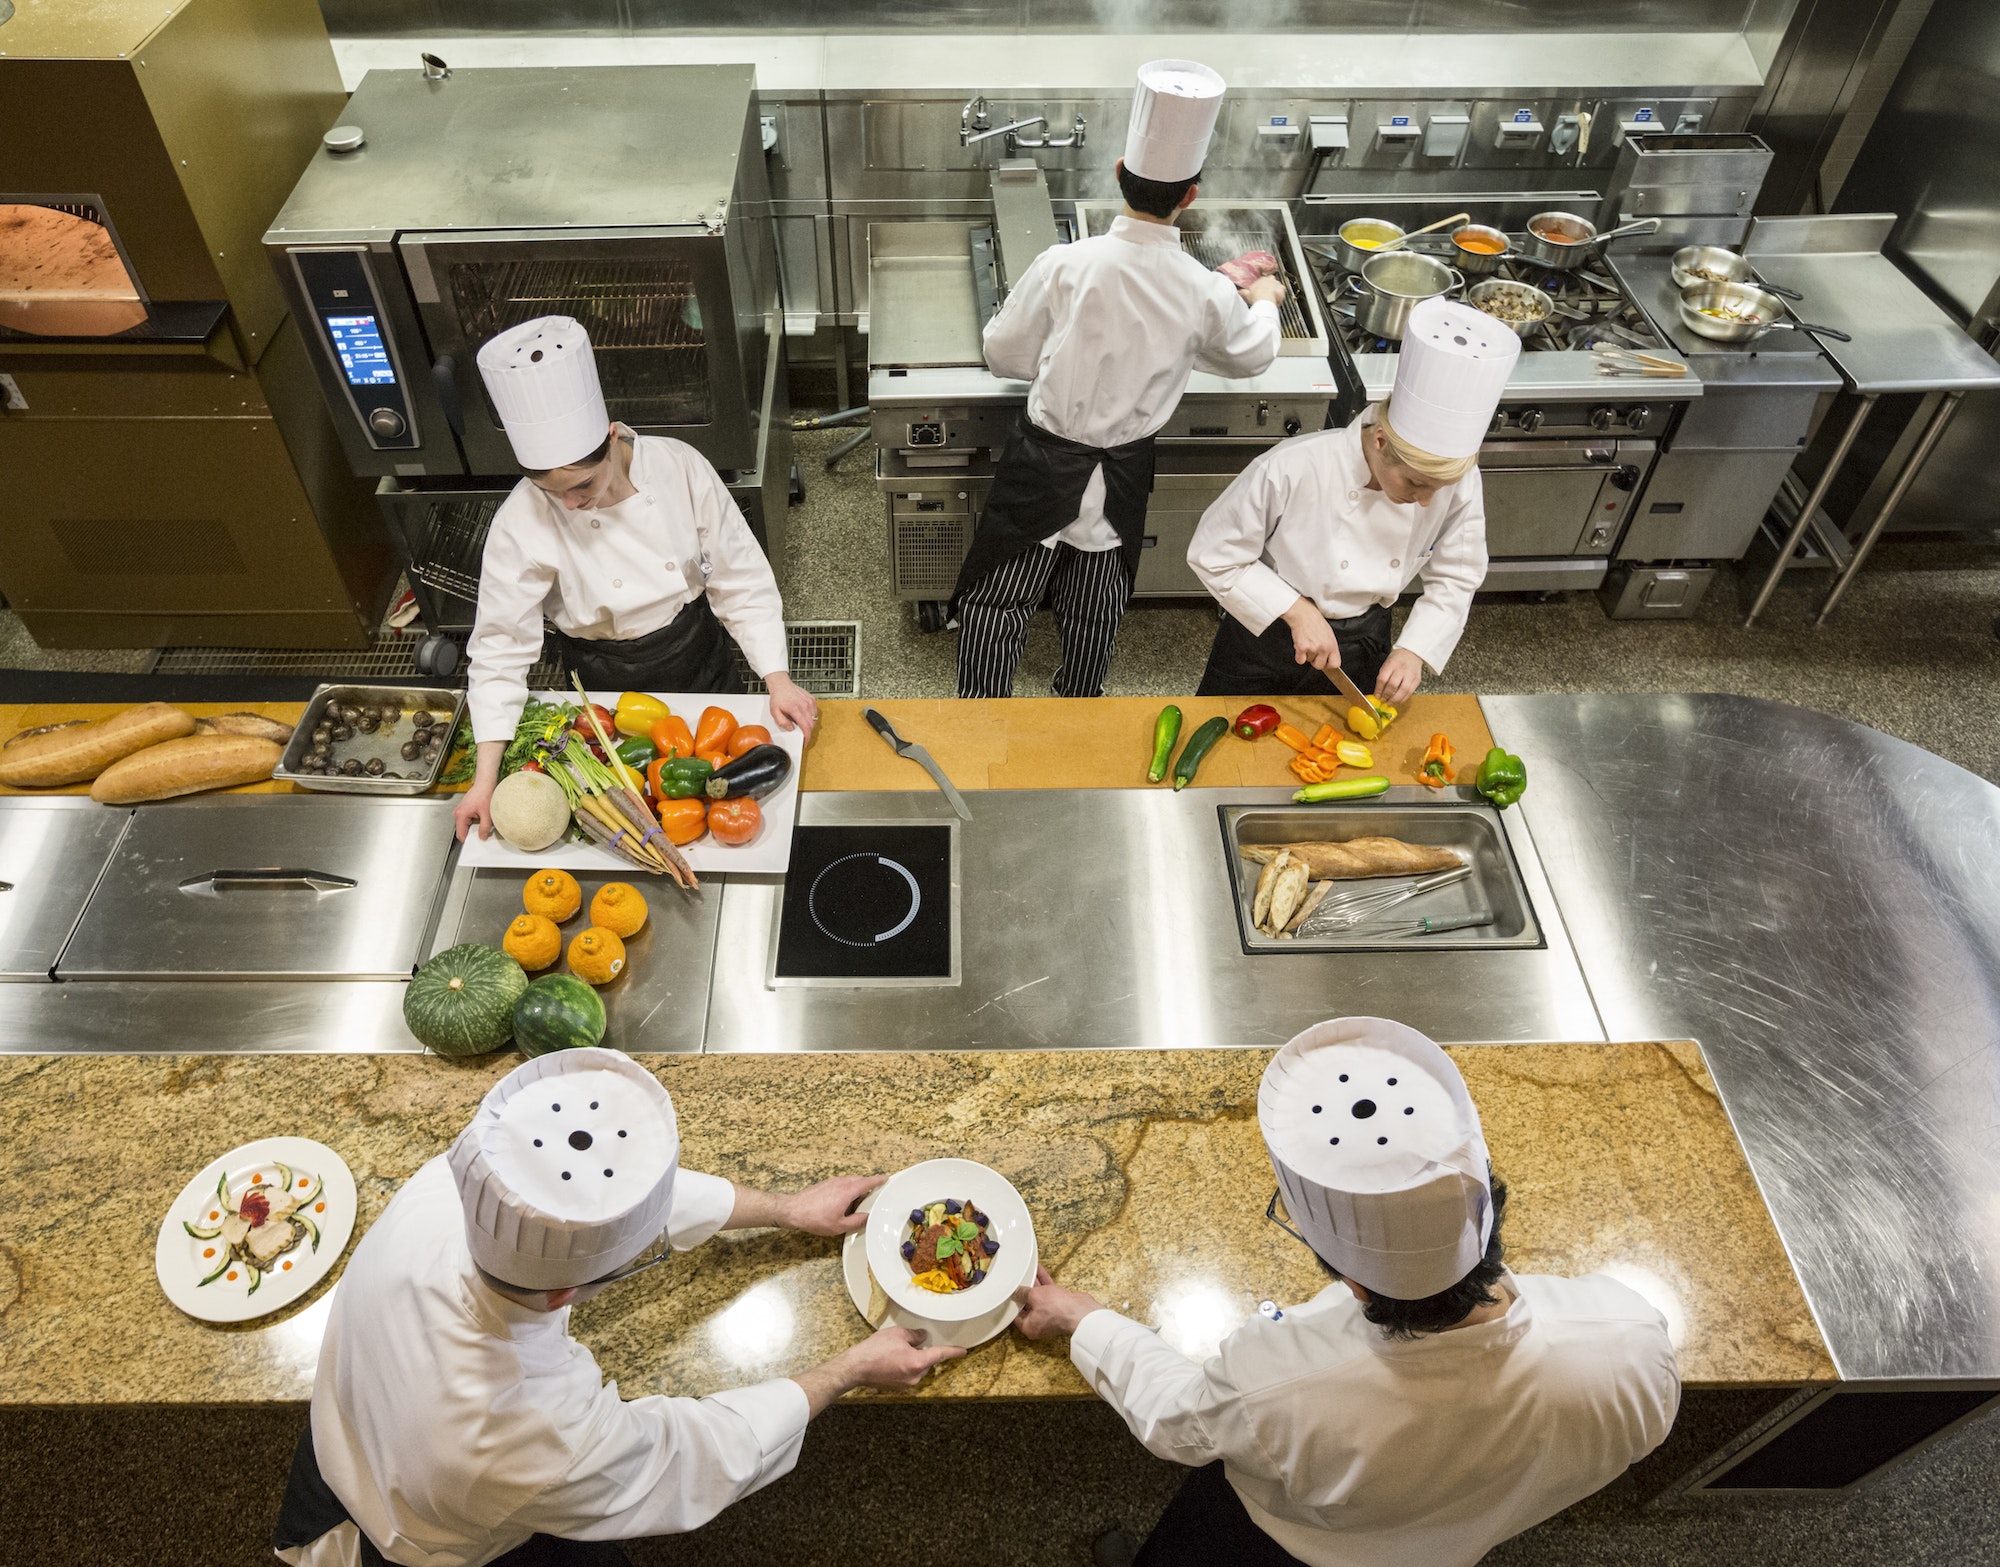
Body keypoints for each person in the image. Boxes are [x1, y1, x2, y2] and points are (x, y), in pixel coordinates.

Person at [1014, 1017, 1680, 1567]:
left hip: (1278, 1545)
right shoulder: (1632, 1341)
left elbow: (1177, 1423)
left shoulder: (1279, 1380)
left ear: (1354, 1277)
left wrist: (1084, 1318)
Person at [273, 1048, 959, 1567]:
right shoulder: (532, 1432)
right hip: (416, 1540)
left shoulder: (457, 1184)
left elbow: (599, 1198)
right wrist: (849, 1369)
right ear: (565, 1292)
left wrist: (785, 1209)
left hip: (345, 1429)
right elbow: (701, 1453)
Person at [951, 58, 1286, 699]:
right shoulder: (1202, 290)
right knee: (1096, 608)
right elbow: (1250, 356)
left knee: (996, 602)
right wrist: (1265, 299)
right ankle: (1079, 707)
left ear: (1118, 173)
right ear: (1191, 195)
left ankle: (981, 712)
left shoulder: (1065, 264)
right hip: (1124, 473)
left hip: (1043, 466)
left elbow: (1002, 354)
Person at [454, 315, 816, 842]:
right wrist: (485, 781)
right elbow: (500, 649)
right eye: (551, 491)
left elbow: (740, 577)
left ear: (611, 437)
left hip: (695, 652)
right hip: (602, 677)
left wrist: (778, 679)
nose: (570, 503)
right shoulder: (519, 521)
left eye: (582, 485)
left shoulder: (678, 467)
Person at [1187, 295, 1519, 705]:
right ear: (1380, 441)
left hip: (1363, 644)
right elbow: (1214, 552)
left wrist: (1415, 649)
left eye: (1438, 488)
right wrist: (1296, 609)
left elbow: (1458, 574)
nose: (1426, 502)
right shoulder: (1292, 466)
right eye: (1415, 484)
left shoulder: (1456, 478)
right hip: (1267, 633)